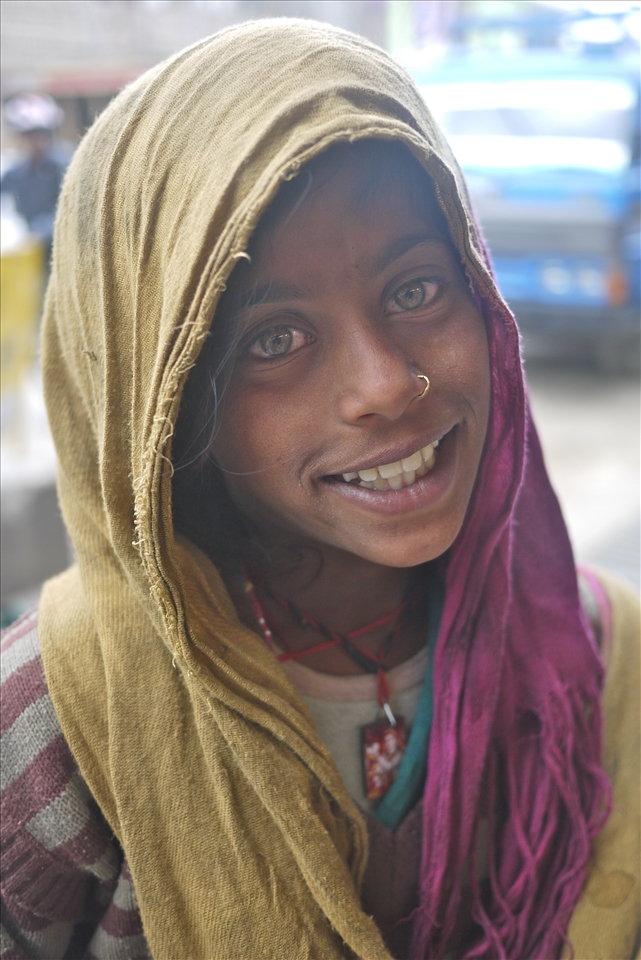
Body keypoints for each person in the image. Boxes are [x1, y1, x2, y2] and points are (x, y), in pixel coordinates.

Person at [1, 20, 639, 960]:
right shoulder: (55, 731)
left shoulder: (602, 658)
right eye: (272, 341)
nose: (385, 385)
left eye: (418, 289)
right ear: (162, 407)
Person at [1, 93, 68, 260]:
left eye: (42, 134)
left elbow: (71, 209)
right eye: (30, 135)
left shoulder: (64, 166)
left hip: (61, 248)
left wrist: (41, 230)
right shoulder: (16, 173)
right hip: (28, 250)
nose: (38, 141)